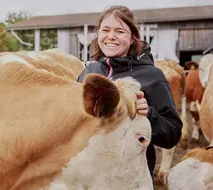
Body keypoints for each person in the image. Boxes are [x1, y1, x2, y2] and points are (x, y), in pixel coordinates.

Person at [77, 5, 183, 181]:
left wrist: (149, 114)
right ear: (98, 35)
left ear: (133, 38)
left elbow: (172, 133)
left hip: (130, 177)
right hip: (90, 173)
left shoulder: (153, 76)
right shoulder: (89, 72)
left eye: (120, 31)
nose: (111, 36)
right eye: (105, 30)